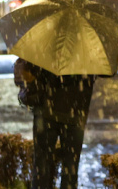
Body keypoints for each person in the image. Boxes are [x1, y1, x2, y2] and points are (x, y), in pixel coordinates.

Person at [14, 57, 97, 189]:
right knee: (70, 169)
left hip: (47, 110)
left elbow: (29, 68)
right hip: (75, 113)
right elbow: (107, 71)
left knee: (42, 166)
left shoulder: (48, 39)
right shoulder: (89, 46)